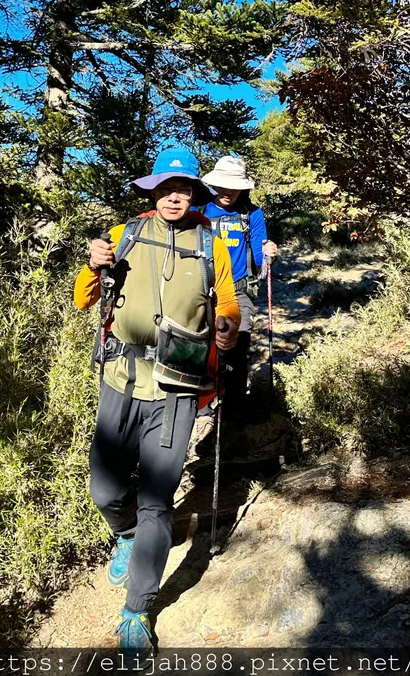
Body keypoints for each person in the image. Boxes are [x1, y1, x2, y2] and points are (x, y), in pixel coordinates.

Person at [73, 147, 240, 658]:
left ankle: (137, 609)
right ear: (153, 191)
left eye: (183, 190)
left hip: (178, 385)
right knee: (104, 489)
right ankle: (124, 534)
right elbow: (84, 299)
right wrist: (92, 266)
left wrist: (228, 328)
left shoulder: (211, 243)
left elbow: (227, 301)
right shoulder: (125, 234)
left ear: (193, 195)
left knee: (157, 500)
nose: (174, 197)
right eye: (166, 188)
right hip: (121, 377)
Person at [200, 154, 278, 416]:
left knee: (237, 340)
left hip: (238, 289)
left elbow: (259, 258)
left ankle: (233, 408)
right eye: (223, 185)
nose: (228, 191)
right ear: (214, 184)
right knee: (201, 344)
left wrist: (267, 253)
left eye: (234, 186)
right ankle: (203, 406)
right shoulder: (199, 211)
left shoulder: (251, 214)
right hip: (202, 288)